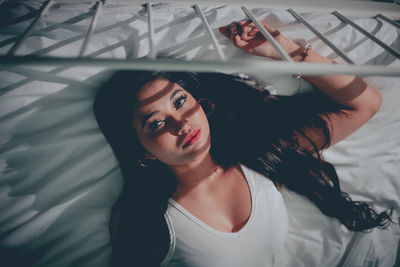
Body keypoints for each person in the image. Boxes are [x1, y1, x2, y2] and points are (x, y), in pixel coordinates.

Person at [93, 20, 393, 267]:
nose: (182, 123)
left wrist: (285, 51)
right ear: (141, 149)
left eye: (181, 101)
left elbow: (364, 103)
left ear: (202, 101)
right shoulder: (146, 219)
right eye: (156, 123)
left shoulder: (263, 157)